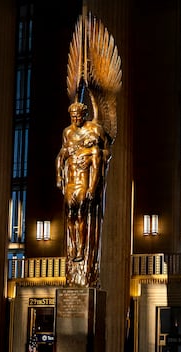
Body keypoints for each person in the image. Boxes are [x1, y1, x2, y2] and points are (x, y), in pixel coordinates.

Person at [55, 101, 112, 287]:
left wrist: (92, 188)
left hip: (83, 185)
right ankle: (73, 249)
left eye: (78, 116)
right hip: (70, 183)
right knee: (70, 216)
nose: (76, 119)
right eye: (73, 116)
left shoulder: (94, 143)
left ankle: (81, 250)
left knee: (80, 215)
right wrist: (58, 177)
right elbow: (61, 155)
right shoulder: (67, 132)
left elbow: (105, 155)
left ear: (84, 114)